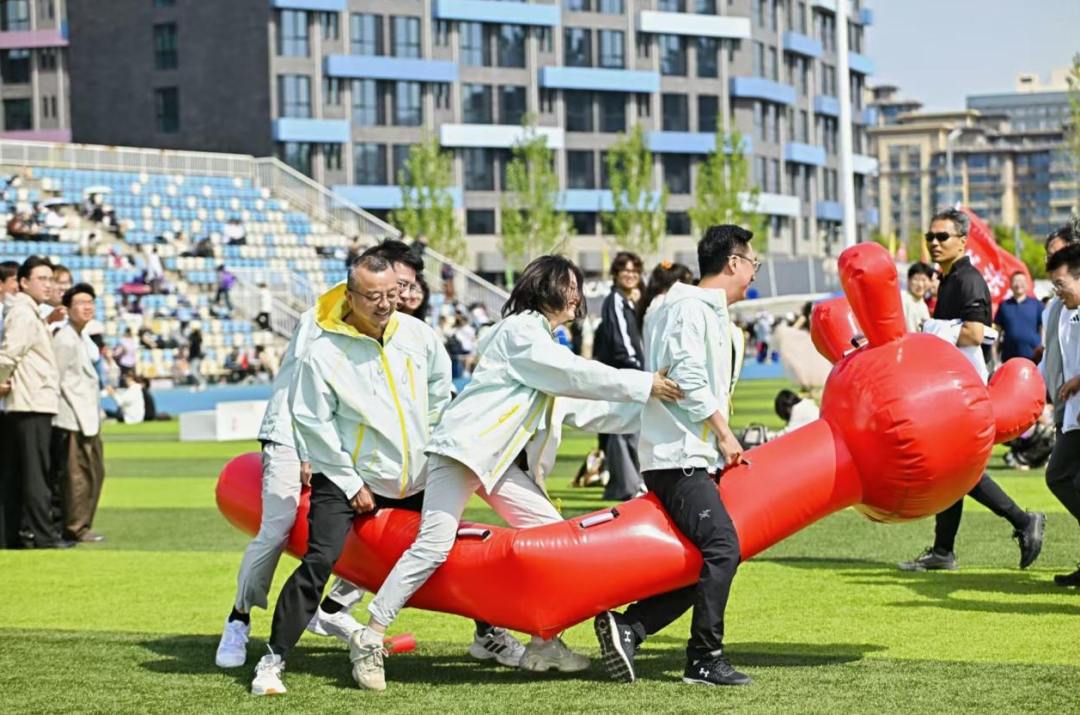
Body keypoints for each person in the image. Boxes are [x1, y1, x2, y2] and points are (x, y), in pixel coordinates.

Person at [352, 255, 681, 692]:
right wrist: (644, 383)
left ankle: (544, 643)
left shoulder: (539, 343)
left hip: (493, 460)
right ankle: (370, 637)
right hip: (463, 450)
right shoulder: (524, 332)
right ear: (546, 288)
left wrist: (655, 408)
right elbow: (575, 374)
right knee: (432, 546)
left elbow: (586, 403)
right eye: (570, 286)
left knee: (556, 541)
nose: (576, 296)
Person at [251, 247, 527, 696]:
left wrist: (439, 450)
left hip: (418, 474)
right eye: (373, 296)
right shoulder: (323, 351)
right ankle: (273, 659)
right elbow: (312, 423)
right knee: (320, 559)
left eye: (392, 294)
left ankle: (488, 634)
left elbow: (440, 394)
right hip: (347, 476)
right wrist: (349, 482)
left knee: (451, 550)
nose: (385, 304)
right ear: (350, 295)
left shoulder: (419, 336)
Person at [593, 224, 758, 689]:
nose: (754, 274)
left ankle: (631, 628)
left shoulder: (702, 310)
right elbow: (686, 376)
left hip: (685, 456)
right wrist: (725, 435)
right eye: (753, 264)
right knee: (723, 549)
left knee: (704, 558)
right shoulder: (688, 307)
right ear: (733, 263)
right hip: (679, 458)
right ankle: (704, 658)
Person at [899, 209, 1044, 572]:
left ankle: (1023, 521)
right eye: (930, 237)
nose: (934, 243)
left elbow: (976, 334)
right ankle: (943, 551)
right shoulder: (948, 279)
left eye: (942, 237)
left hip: (964, 392)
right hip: (949, 388)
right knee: (953, 470)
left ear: (962, 241)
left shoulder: (969, 279)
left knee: (958, 471)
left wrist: (929, 331)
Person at [0, 256, 64, 549]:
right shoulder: (24, 314)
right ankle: (43, 535)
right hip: (31, 401)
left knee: (17, 473)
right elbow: (8, 355)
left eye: (51, 279)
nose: (48, 285)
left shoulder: (30, 313)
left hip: (30, 400)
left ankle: (13, 536)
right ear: (24, 282)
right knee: (36, 474)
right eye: (42, 279)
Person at [1039, 218, 1080, 587]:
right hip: (1070, 412)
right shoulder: (1060, 308)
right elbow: (1056, 356)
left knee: (1059, 475)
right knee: (1065, 478)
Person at [51, 283, 106, 544]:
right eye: (81, 303)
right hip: (72, 418)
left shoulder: (82, 337)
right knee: (77, 477)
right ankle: (75, 527)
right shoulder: (65, 339)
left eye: (90, 302)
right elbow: (56, 378)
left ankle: (81, 525)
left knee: (93, 473)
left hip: (87, 417)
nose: (87, 307)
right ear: (67, 308)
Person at [593, 251, 646, 501]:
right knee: (623, 430)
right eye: (626, 270)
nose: (631, 275)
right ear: (616, 273)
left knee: (628, 429)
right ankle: (627, 485)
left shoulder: (628, 301)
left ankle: (629, 482)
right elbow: (621, 341)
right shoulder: (615, 300)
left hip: (630, 372)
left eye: (635, 271)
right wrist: (637, 367)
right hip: (624, 373)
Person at [639, 261, 694, 354]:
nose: (691, 288)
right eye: (688, 283)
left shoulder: (656, 303)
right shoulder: (666, 306)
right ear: (677, 283)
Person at [994, 271, 1042, 363]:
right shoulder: (1004, 305)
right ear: (1010, 285)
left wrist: (1043, 348)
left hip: (1033, 357)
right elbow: (998, 330)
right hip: (1009, 357)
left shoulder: (1037, 305)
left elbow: (1042, 329)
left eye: (1021, 281)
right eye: (1015, 281)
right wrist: (994, 350)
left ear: (1027, 284)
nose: (1018, 284)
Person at [901, 262, 933, 333]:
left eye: (924, 280)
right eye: (916, 279)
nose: (920, 285)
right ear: (908, 280)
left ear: (930, 282)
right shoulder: (903, 301)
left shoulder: (923, 305)